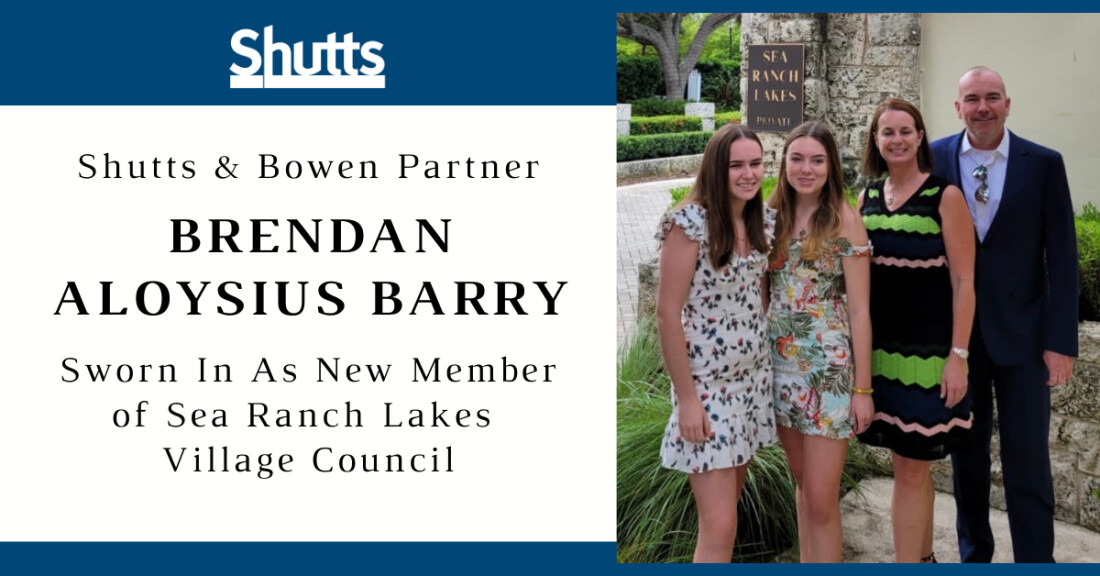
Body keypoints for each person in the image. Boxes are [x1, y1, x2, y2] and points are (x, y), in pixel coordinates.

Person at [930, 66, 1078, 563]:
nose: (983, 107)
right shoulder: (934, 160)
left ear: (1008, 104)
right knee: (966, 462)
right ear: (958, 108)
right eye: (972, 99)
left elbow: (1061, 258)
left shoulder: (1043, 164)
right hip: (960, 345)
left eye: (992, 97)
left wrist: (1060, 342)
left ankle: (1036, 561)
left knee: (1028, 462)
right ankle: (975, 557)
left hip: (1025, 340)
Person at [856, 98, 976, 563]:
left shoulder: (945, 196)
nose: (897, 139)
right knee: (911, 470)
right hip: (881, 356)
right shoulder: (865, 198)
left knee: (910, 471)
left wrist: (958, 356)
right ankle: (924, 560)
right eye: (887, 132)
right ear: (876, 140)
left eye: (906, 130)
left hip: (928, 359)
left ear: (921, 136)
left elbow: (965, 282)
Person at [655, 124, 778, 563]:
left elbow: (756, 293)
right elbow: (667, 314)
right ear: (715, 168)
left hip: (751, 384)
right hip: (707, 391)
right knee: (720, 524)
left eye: (755, 163)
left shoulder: (762, 220)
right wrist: (687, 400)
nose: (748, 174)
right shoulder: (689, 225)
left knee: (726, 518)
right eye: (736, 165)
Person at [767, 121, 873, 563]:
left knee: (822, 501)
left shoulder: (845, 221)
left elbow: (860, 310)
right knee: (804, 488)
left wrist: (862, 390)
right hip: (780, 368)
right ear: (784, 163)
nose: (806, 169)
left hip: (828, 376)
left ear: (831, 166)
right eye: (797, 158)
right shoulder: (770, 216)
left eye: (816, 160)